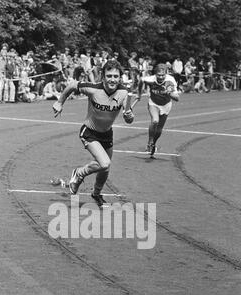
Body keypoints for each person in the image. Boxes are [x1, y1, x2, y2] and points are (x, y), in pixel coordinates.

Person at [52, 59, 134, 206]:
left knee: (105, 168)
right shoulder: (93, 89)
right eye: (109, 76)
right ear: (103, 76)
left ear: (120, 77)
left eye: (116, 76)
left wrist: (129, 117)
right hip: (89, 132)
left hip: (107, 134)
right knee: (104, 163)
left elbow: (129, 118)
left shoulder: (124, 93)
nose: (112, 79)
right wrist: (59, 102)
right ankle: (79, 173)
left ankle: (96, 194)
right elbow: (72, 85)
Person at [136, 63, 179, 157]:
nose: (161, 77)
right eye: (159, 75)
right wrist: (139, 94)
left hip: (166, 105)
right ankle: (150, 140)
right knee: (155, 121)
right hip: (153, 103)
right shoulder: (151, 79)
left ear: (166, 74)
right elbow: (141, 81)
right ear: (155, 74)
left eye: (163, 75)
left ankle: (153, 143)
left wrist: (169, 92)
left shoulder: (169, 81)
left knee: (159, 129)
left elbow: (177, 98)